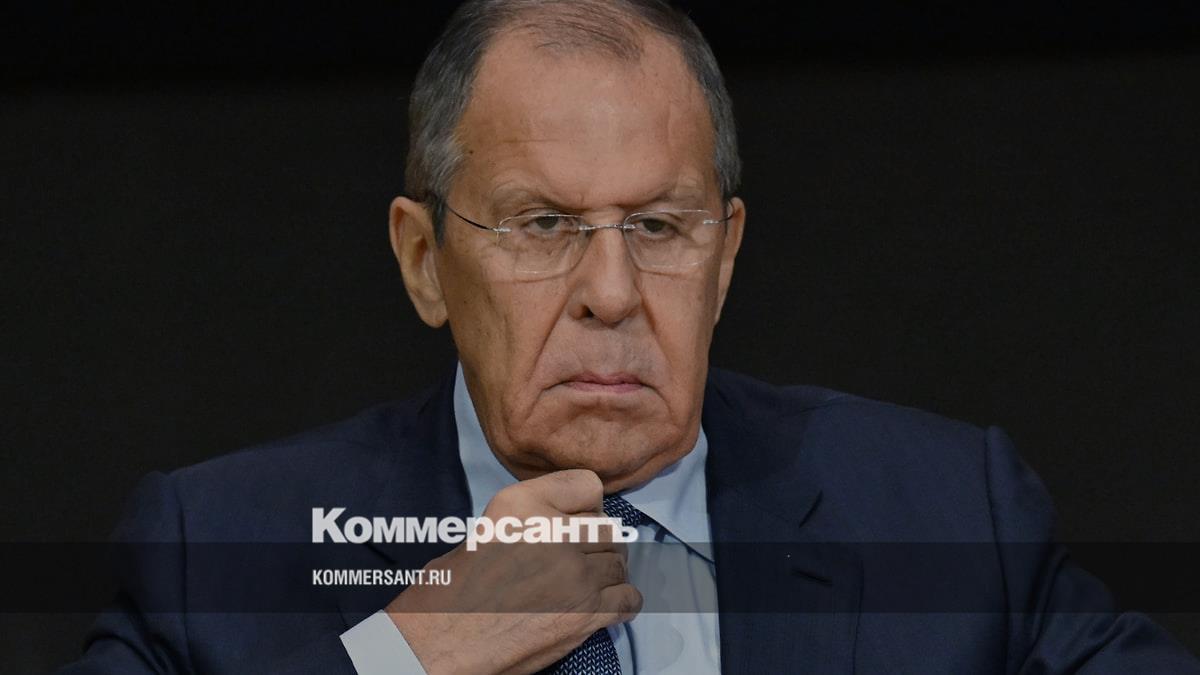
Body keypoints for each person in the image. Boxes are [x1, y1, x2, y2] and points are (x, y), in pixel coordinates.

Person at [61, 1, 1199, 673]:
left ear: (726, 256)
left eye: (658, 226)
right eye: (542, 224)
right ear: (423, 260)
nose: (611, 292)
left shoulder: (945, 514)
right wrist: (404, 659)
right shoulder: (220, 549)